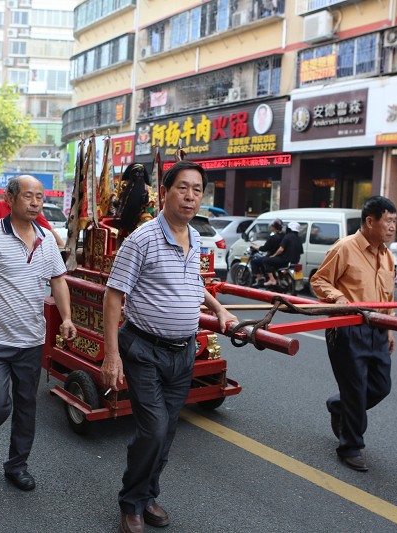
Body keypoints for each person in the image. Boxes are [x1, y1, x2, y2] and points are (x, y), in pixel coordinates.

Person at [101, 160, 237, 533]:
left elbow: (195, 287)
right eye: (183, 188)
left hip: (183, 351)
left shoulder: (196, 239)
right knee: (154, 430)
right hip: (143, 348)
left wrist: (221, 309)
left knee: (169, 429)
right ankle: (131, 502)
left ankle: (147, 495)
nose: (190, 196)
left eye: (197, 189)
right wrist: (111, 355)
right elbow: (114, 297)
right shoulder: (142, 239)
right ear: (164, 192)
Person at [0, 175, 77, 492]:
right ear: (10, 199)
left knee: (26, 407)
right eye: (28, 195)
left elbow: (58, 281)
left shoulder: (47, 239)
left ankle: (17, 465)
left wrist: (66, 317)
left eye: (39, 196)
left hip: (31, 340)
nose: (35, 202)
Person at [310, 196, 397, 472]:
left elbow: (389, 295)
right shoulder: (345, 248)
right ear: (370, 221)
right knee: (356, 388)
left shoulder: (387, 255)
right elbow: (318, 280)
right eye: (389, 221)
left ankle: (339, 406)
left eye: (396, 222)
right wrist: (336, 297)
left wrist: (391, 325)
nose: (393, 227)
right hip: (347, 329)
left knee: (381, 387)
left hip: (378, 329)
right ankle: (350, 447)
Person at [0, 198, 65, 248]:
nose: (35, 203)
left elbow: (49, 230)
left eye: (39, 197)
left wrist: (61, 245)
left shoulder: (31, 212)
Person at [263, 221, 303, 287]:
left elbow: (281, 249)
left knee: (266, 261)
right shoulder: (299, 239)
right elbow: (301, 252)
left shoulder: (287, 237)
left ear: (289, 228)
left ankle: (272, 280)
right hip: (295, 261)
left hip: (285, 260)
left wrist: (273, 255)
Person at [249, 218, 284, 287]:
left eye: (272, 226)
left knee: (254, 261)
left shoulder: (273, 237)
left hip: (272, 257)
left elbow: (264, 248)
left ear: (274, 227)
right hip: (281, 257)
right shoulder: (284, 236)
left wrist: (255, 247)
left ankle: (260, 280)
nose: (271, 227)